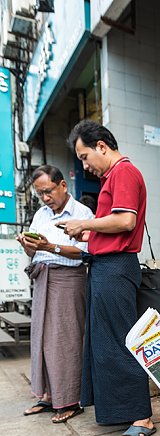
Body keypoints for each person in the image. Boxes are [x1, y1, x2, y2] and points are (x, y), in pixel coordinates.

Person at [60, 120, 155, 436]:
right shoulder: (113, 177)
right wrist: (86, 231)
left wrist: (84, 223)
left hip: (116, 268)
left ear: (102, 146)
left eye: (85, 156)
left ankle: (142, 417)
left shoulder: (124, 172)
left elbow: (126, 220)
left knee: (120, 341)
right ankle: (121, 411)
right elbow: (113, 225)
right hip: (105, 266)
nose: (85, 165)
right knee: (104, 342)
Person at [17, 165, 93, 423]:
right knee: (41, 338)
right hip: (43, 277)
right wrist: (29, 245)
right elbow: (36, 253)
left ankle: (70, 399)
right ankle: (48, 395)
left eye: (48, 191)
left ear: (63, 185)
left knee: (66, 340)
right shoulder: (41, 214)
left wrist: (49, 246)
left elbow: (83, 252)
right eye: (40, 194)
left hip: (69, 279)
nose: (45, 198)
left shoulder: (83, 213)